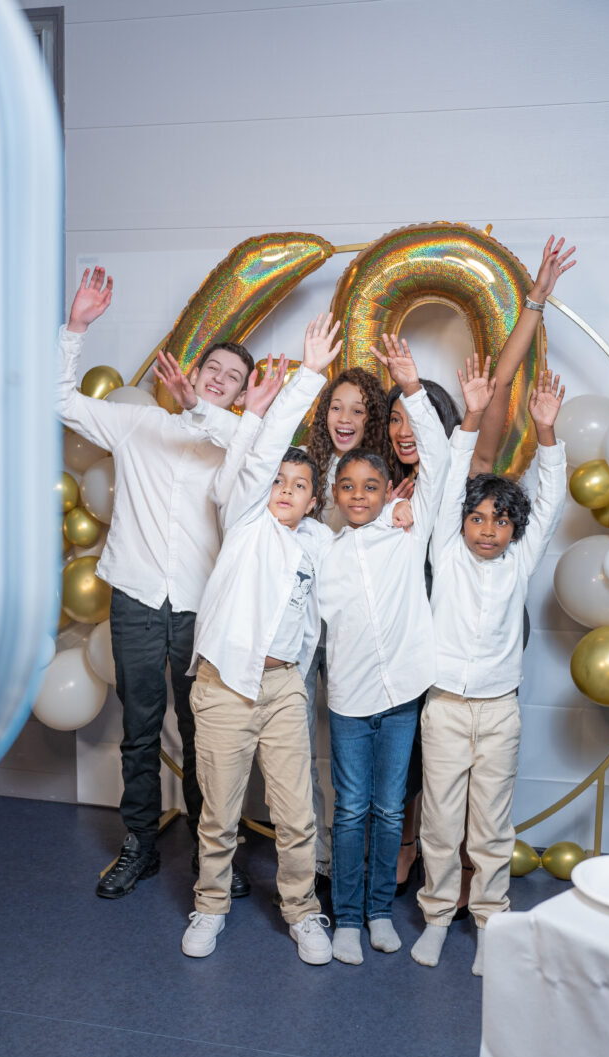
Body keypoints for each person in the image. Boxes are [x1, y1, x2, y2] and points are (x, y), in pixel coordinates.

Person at [377, 234, 577, 900]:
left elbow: (498, 386)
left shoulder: (470, 476)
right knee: (422, 753)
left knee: (482, 760)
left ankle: (472, 870)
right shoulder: (386, 488)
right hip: (416, 631)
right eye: (396, 423)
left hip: (482, 623)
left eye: (416, 420)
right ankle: (415, 846)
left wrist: (534, 301)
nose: (406, 433)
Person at [56, 266, 261, 899]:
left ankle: (212, 853)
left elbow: (257, 454)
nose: (218, 378)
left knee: (206, 736)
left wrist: (205, 412)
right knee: (140, 731)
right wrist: (76, 327)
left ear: (240, 394)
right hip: (137, 600)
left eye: (233, 377)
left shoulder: (239, 443)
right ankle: (140, 846)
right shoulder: (136, 425)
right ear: (192, 371)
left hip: (203, 608)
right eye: (212, 368)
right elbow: (59, 400)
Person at [318, 353, 496, 966]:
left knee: (391, 808)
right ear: (334, 494)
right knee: (351, 811)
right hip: (348, 698)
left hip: (402, 696)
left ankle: (376, 912)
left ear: (389, 491)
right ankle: (346, 918)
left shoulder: (409, 529)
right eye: (348, 487)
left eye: (372, 486)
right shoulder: (323, 550)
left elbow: (443, 465)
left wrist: (415, 390)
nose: (360, 496)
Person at [176, 314, 343, 964]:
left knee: (297, 814)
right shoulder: (246, 521)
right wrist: (309, 376)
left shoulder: (319, 544)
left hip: (282, 689)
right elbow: (267, 449)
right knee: (218, 815)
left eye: (300, 487)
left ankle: (303, 912)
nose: (286, 490)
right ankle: (210, 906)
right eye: (278, 480)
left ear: (313, 501)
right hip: (224, 686)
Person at [410, 360, 567, 977]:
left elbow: (550, 500)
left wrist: (546, 431)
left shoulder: (519, 562)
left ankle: (488, 921)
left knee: (491, 825)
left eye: (501, 521)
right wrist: (472, 416)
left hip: (499, 711)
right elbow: (451, 479)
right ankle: (436, 917)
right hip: (445, 706)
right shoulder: (446, 552)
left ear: (515, 531)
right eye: (477, 517)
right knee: (441, 821)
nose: (488, 530)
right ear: (461, 523)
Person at [302, 366, 391, 885]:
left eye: (358, 409)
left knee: (355, 752)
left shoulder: (382, 479)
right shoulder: (303, 467)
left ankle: (353, 858)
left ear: (371, 418)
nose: (345, 417)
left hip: (355, 633)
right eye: (337, 406)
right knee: (300, 748)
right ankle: (315, 856)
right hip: (303, 630)